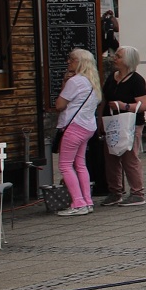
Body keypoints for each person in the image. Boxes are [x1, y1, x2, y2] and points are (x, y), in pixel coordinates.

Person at [100, 46, 146, 208]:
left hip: (130, 123)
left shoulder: (136, 80)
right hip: (111, 122)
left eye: (119, 56)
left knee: (129, 156)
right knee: (111, 156)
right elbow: (104, 100)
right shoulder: (111, 78)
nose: (115, 58)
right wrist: (100, 120)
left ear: (128, 61)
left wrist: (124, 105)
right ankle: (115, 192)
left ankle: (137, 193)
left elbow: (144, 105)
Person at [55, 48, 101, 216]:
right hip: (87, 127)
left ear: (80, 62)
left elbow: (59, 104)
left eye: (72, 59)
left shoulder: (75, 82)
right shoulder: (92, 81)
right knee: (80, 164)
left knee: (65, 165)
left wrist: (64, 84)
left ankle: (78, 203)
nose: (68, 62)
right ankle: (87, 201)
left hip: (73, 127)